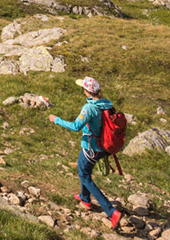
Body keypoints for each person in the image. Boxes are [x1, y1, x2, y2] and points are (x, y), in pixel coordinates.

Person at [48, 76, 123, 229]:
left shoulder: (89, 108)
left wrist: (56, 120)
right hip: (103, 148)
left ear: (87, 91)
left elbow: (76, 126)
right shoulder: (106, 104)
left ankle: (111, 211)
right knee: (85, 171)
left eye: (83, 88)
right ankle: (85, 198)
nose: (82, 90)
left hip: (91, 148)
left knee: (84, 175)